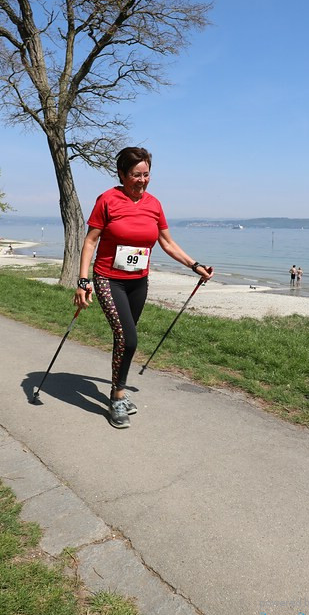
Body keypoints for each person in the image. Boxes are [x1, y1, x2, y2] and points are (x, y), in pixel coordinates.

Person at [75, 146, 214, 429]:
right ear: (122, 174)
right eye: (135, 175)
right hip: (107, 279)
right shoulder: (108, 200)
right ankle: (117, 397)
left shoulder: (154, 204)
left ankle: (118, 389)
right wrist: (83, 280)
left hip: (138, 281)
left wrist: (194, 265)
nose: (142, 180)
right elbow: (90, 241)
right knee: (129, 339)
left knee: (125, 340)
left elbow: (167, 242)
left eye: (146, 175)